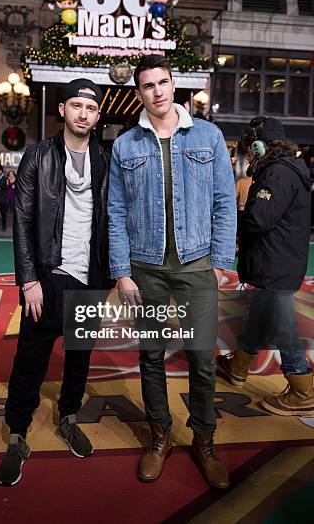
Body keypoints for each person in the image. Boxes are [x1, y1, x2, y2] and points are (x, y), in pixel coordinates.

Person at [108, 55, 236, 489]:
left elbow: (224, 200)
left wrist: (220, 262)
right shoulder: (126, 145)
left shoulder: (208, 136)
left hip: (198, 264)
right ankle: (159, 435)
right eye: (148, 86)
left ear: (174, 85)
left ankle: (204, 440)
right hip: (146, 268)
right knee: (150, 356)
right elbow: (116, 211)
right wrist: (122, 272)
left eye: (163, 83)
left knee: (202, 358)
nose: (158, 91)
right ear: (138, 93)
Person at [0, 78, 109, 486]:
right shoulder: (38, 155)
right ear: (62, 110)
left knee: (79, 358)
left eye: (90, 108)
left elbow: (111, 221)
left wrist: (110, 277)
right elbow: (22, 221)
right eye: (76, 105)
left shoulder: (105, 160)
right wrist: (28, 280)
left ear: (97, 117)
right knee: (30, 361)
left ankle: (67, 418)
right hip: (47, 277)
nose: (83, 113)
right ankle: (17, 434)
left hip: (89, 278)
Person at [217, 117, 314, 416]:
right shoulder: (288, 171)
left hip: (276, 263)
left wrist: (233, 219)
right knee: (259, 319)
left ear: (259, 145)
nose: (246, 153)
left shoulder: (277, 174)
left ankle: (303, 390)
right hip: (280, 260)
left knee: (283, 328)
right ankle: (238, 368)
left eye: (248, 146)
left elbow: (259, 219)